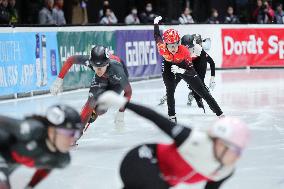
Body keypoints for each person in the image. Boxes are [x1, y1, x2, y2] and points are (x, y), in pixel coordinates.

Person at [96, 91, 250, 189]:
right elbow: (156, 118)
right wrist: (120, 102)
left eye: (240, 151)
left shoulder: (226, 170)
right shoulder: (193, 140)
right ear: (220, 143)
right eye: (235, 150)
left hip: (161, 181)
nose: (237, 157)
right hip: (143, 159)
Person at [50, 45, 132, 141]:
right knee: (91, 103)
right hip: (101, 79)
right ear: (91, 63)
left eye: (101, 66)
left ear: (107, 63)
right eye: (96, 67)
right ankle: (75, 135)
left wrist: (121, 113)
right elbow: (70, 60)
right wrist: (59, 79)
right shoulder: (90, 62)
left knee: (100, 110)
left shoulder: (117, 69)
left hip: (116, 82)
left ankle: (96, 111)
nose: (99, 70)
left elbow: (128, 91)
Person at [154, 16, 223, 123]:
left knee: (203, 91)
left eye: (175, 45)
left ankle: (220, 114)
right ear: (166, 45)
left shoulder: (185, 51)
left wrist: (180, 70)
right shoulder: (161, 48)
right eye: (170, 45)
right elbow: (157, 36)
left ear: (178, 43)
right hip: (168, 65)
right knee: (170, 90)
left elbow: (191, 71)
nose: (173, 48)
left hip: (183, 65)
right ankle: (172, 117)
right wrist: (155, 23)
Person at [0, 104, 82, 189]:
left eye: (76, 134)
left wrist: (30, 186)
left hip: (10, 161)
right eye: (68, 133)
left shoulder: (62, 160)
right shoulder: (32, 130)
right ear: (51, 130)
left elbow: (47, 166)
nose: (72, 139)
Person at [159, 34, 216, 113]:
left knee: (199, 82)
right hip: (185, 64)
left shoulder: (198, 50)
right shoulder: (179, 50)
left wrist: (212, 78)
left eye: (191, 47)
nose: (189, 49)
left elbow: (211, 62)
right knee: (177, 78)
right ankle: (168, 95)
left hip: (195, 64)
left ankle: (193, 93)